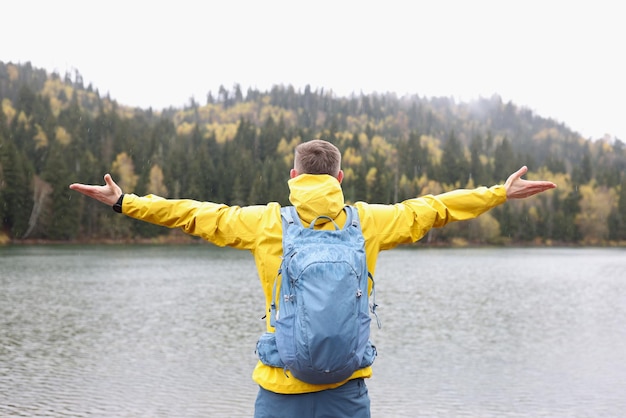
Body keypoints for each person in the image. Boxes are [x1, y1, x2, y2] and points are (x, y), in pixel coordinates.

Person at [69, 139, 556, 417]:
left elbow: (195, 215)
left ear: (293, 176)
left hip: (281, 389)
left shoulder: (266, 223)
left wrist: (123, 201)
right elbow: (434, 209)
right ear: (339, 179)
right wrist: (497, 193)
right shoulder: (367, 222)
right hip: (347, 389)